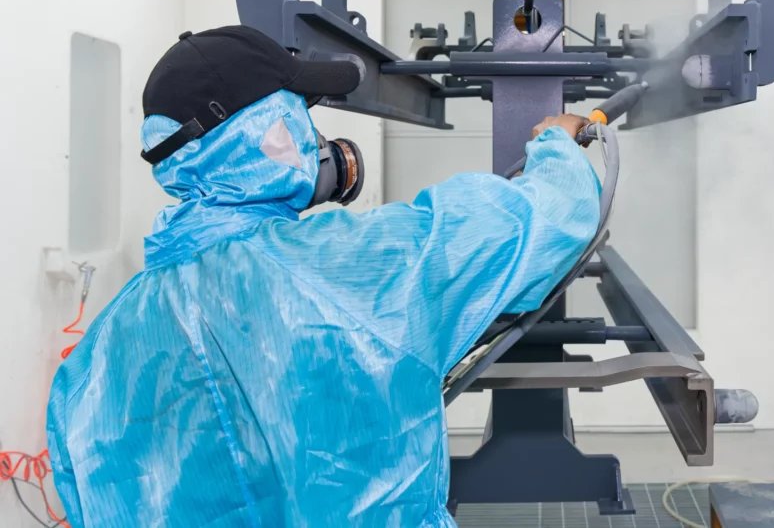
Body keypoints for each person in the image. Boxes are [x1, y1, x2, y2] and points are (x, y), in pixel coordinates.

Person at [46, 26, 601, 527]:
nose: (313, 136)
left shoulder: (90, 367)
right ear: (265, 131)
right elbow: (544, 218)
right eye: (297, 112)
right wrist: (556, 143)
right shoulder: (349, 266)